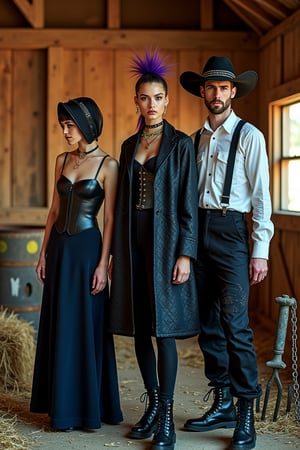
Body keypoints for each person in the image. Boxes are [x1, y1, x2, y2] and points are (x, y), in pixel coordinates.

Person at [179, 56, 274, 450]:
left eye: (223, 87)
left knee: (236, 326)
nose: (216, 94)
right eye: (210, 87)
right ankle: (221, 402)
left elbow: (262, 198)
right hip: (198, 231)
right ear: (202, 92)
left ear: (233, 92)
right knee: (208, 325)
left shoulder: (250, 136)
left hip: (233, 233)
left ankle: (245, 413)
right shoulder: (194, 139)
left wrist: (260, 250)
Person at [108, 50, 200, 450]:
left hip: (166, 243)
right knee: (141, 328)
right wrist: (112, 252)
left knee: (163, 330)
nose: (150, 104)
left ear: (167, 101)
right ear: (136, 101)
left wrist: (185, 253)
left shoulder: (181, 145)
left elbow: (188, 205)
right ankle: (152, 406)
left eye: (157, 97)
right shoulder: (129, 146)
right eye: (144, 98)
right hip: (133, 242)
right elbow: (119, 205)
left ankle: (166, 417)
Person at [30, 97, 123, 431]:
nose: (65, 131)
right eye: (63, 125)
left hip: (87, 251)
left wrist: (103, 264)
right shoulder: (61, 159)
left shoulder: (108, 165)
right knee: (59, 325)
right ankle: (61, 409)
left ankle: (87, 409)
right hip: (59, 249)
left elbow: (110, 219)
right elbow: (54, 211)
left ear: (86, 124)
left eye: (69, 125)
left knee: (85, 327)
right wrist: (42, 254)